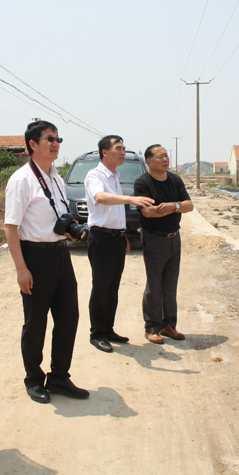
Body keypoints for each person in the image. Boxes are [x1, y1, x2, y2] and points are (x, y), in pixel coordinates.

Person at [4, 120, 89, 404]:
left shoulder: (57, 178)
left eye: (58, 139)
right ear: (32, 144)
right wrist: (21, 269)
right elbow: (11, 227)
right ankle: (33, 379)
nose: (55, 144)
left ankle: (59, 376)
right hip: (35, 256)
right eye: (49, 139)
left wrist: (70, 230)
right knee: (36, 322)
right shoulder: (21, 180)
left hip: (60, 254)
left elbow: (57, 217)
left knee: (68, 317)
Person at [85, 135, 155, 353]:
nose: (123, 152)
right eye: (118, 148)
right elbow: (101, 198)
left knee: (112, 287)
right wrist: (131, 199)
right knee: (101, 287)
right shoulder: (95, 175)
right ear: (105, 152)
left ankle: (108, 329)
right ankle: (97, 333)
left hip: (115, 238)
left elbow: (114, 211)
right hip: (101, 238)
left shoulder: (115, 175)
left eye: (123, 148)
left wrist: (122, 234)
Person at [133, 144, 193, 344]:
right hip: (154, 238)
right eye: (160, 157)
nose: (165, 159)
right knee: (154, 284)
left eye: (166, 156)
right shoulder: (143, 183)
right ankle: (152, 327)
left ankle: (169, 325)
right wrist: (176, 207)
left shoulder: (175, 180)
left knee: (170, 283)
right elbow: (148, 212)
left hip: (174, 238)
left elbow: (189, 205)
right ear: (149, 161)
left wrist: (172, 206)